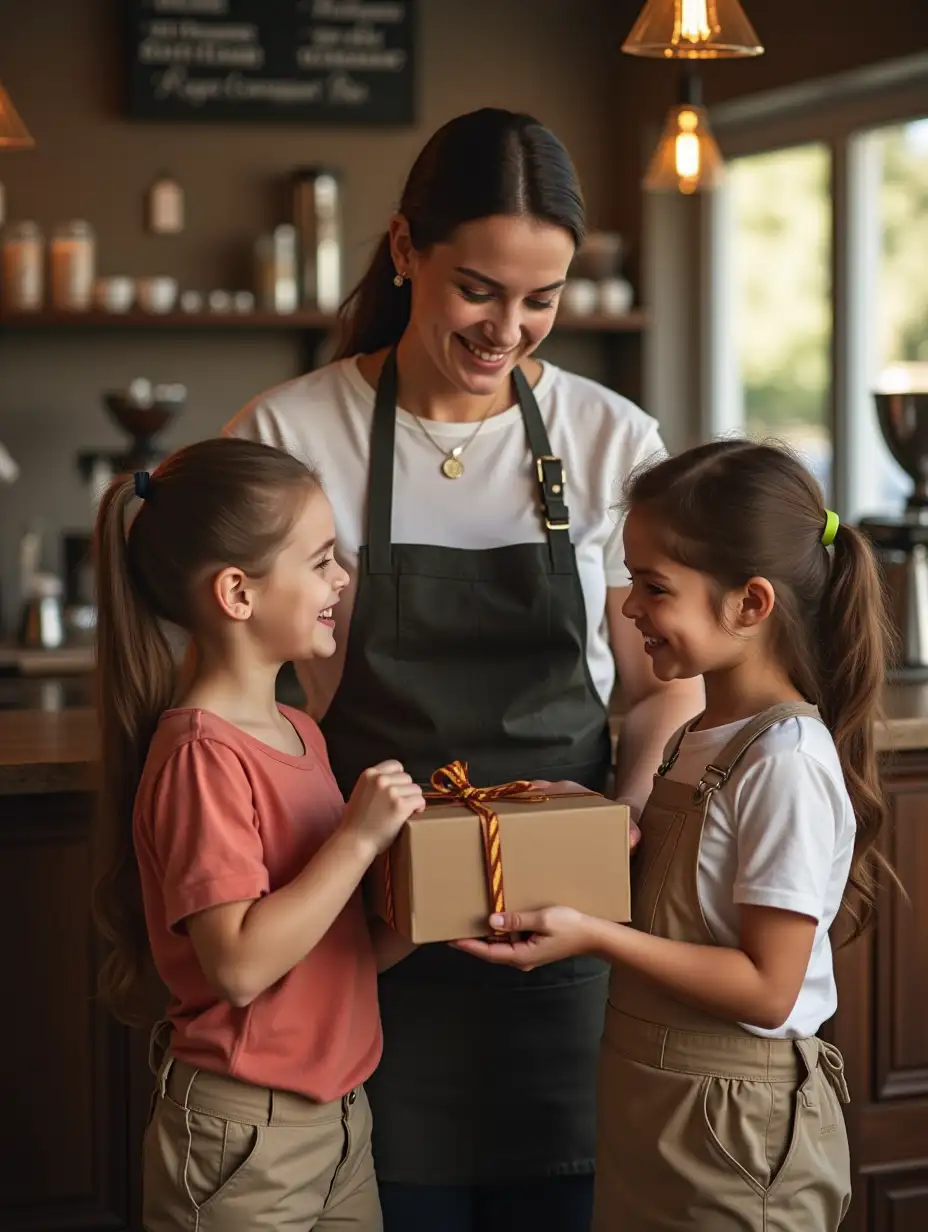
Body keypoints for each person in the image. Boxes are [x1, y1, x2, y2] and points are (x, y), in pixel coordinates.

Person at [225, 106, 703, 1232]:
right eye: (479, 289)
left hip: (565, 940)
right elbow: (245, 695)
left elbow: (662, 685)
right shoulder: (294, 435)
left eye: (542, 300)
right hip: (364, 936)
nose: (509, 330)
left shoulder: (609, 440)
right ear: (404, 251)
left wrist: (616, 823)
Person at [457, 439, 894, 1231]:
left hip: (737, 1125)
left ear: (750, 604)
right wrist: (587, 824)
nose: (627, 608)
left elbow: (768, 988)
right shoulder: (702, 733)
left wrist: (591, 935)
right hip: (655, 1102)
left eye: (654, 588)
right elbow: (687, 897)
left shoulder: (785, 761)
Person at [92, 436, 426, 1231]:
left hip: (340, 1122)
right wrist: (355, 841)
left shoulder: (300, 733)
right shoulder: (203, 756)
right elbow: (240, 966)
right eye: (318, 562)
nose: (341, 579)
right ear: (238, 593)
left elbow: (327, 950)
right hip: (241, 1137)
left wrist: (438, 909)